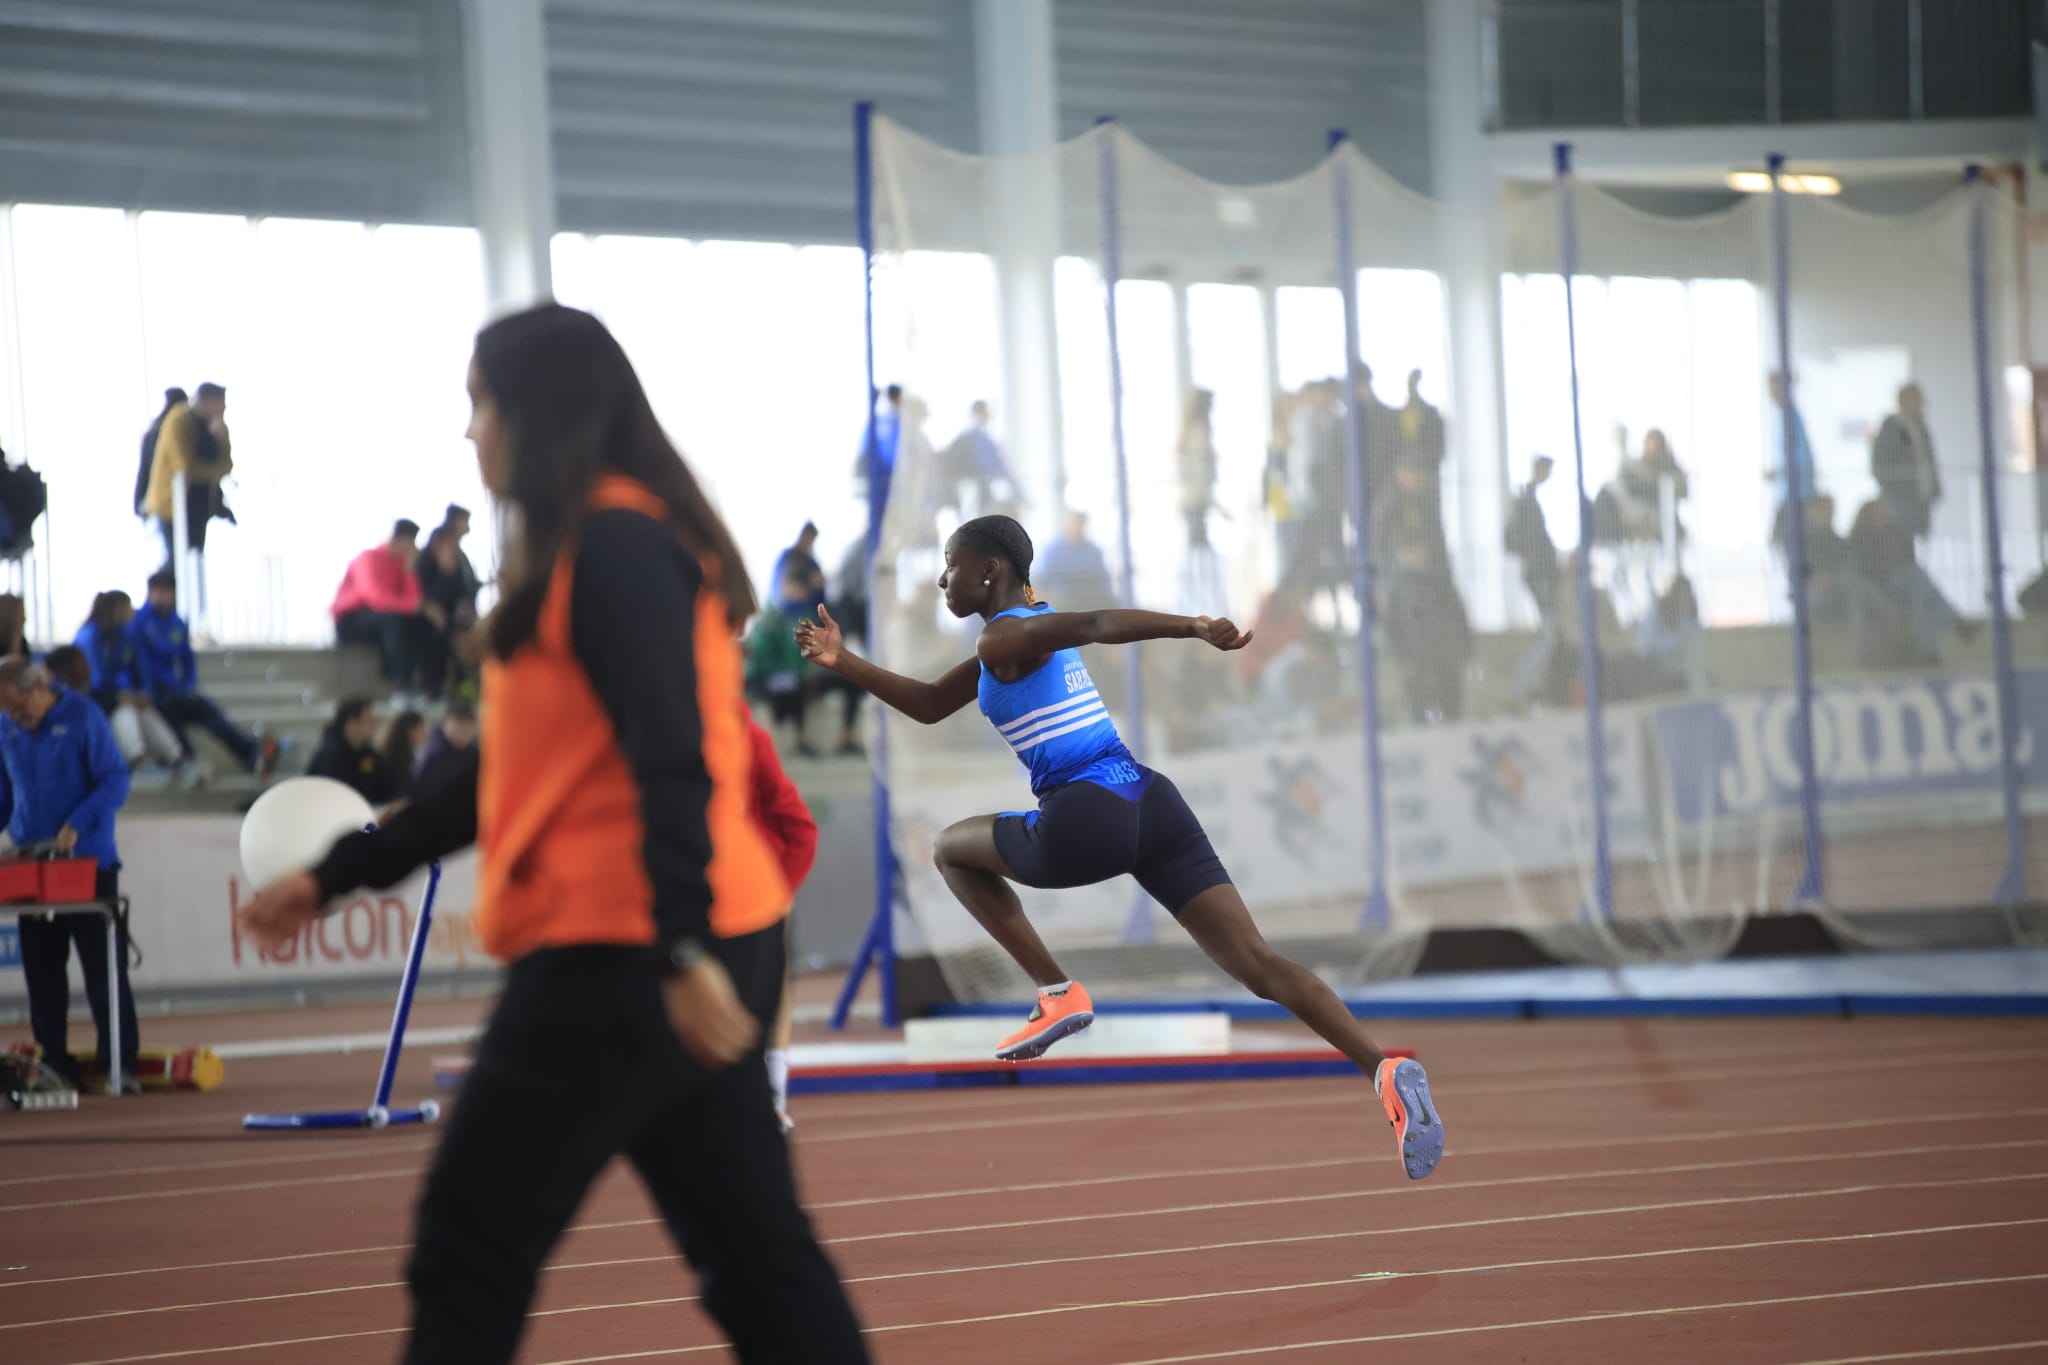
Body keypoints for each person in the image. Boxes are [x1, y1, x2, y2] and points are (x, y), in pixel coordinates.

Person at [233, 302, 868, 1363]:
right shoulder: (585, 549)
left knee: (467, 1249)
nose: (469, 431)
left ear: (541, 413)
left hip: (627, 950)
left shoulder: (616, 547)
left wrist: (677, 948)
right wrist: (343, 872)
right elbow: (502, 775)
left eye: (479, 403)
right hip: (685, 942)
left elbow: (666, 753)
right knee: (756, 1263)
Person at [795, 513, 1444, 1181]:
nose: (940, 578)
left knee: (948, 849)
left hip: (1086, 815)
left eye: (950, 564)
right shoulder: (1006, 644)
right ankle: (1383, 1069)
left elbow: (1096, 624)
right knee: (1258, 962)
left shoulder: (1004, 635)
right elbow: (931, 702)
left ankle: (1058, 990)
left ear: (989, 569)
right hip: (1150, 801)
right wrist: (842, 659)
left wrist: (1191, 626)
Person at [0, 656, 138, 1092]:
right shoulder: (6, 727)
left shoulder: (83, 716)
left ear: (39, 686)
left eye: (21, 708)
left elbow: (115, 779)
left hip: (87, 864)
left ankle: (120, 1064)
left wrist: (79, 822)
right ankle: (54, 1065)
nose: (17, 719)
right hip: (32, 864)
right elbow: (4, 793)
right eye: (8, 712)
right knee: (42, 975)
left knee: (103, 972)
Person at [741, 704, 818, 1132]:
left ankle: (772, 1094)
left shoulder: (748, 737)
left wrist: (777, 895)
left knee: (768, 991)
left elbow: (800, 826)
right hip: (691, 890)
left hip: (756, 890)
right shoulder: (654, 734)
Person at [131, 570, 281, 779]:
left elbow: (187, 660)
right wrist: (149, 689)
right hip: (153, 693)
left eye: (166, 591)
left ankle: (252, 752)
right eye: (157, 591)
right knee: (169, 717)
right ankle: (188, 762)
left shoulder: (177, 623)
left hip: (176, 690)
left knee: (209, 712)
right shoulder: (138, 623)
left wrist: (187, 684)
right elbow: (141, 663)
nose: (161, 597)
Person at [75, 590, 188, 781]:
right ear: (117, 609)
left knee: (144, 710)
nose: (133, 612)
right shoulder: (90, 635)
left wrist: (143, 694)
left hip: (116, 697)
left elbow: (139, 669)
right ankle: (138, 760)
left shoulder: (123, 635)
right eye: (128, 608)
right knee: (125, 712)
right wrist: (120, 696)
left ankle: (177, 759)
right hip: (92, 699)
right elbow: (96, 680)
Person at [333, 519, 430, 698]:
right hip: (351, 619)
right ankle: (403, 686)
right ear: (401, 540)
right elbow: (374, 597)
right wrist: (411, 605)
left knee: (419, 622)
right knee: (393, 621)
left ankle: (427, 684)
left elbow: (414, 601)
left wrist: (409, 572)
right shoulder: (368, 557)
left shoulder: (402, 563)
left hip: (383, 619)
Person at [142, 382, 233, 569]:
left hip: (198, 506)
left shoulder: (215, 426)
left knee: (194, 558)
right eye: (220, 405)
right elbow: (184, 467)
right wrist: (213, 471)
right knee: (177, 562)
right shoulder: (179, 421)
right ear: (209, 402)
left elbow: (227, 465)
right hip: (170, 505)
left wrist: (221, 438)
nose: (223, 410)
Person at [306, 697, 395, 805]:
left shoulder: (368, 753)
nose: (374, 724)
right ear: (351, 724)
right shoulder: (331, 756)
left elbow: (383, 788)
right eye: (368, 720)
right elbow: (331, 797)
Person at [134, 387, 187, 520]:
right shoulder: (161, 434)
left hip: (155, 499)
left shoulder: (153, 432)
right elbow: (149, 469)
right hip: (163, 499)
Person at [771, 523, 828, 622]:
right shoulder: (788, 557)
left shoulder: (812, 562)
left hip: (814, 612)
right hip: (791, 613)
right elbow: (785, 589)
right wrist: (808, 586)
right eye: (809, 539)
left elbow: (821, 583)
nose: (810, 543)